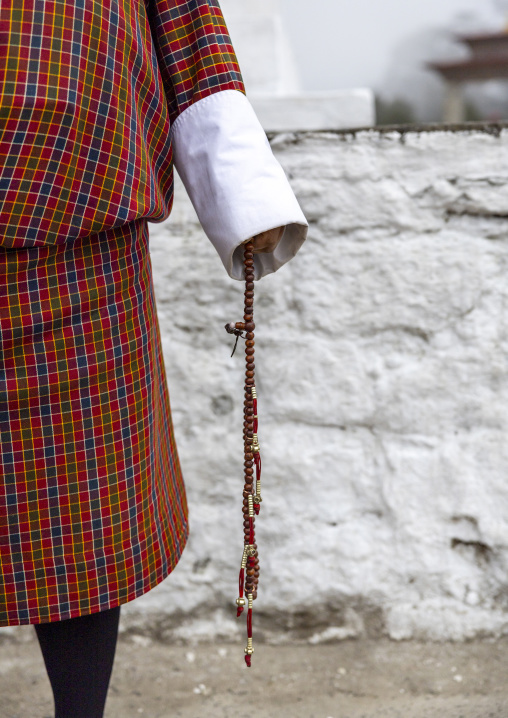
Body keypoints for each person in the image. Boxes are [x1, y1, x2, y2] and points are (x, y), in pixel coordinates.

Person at [0, 1, 308, 716]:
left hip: (85, 234)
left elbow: (186, 17)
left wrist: (240, 198)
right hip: (85, 212)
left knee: (82, 522)